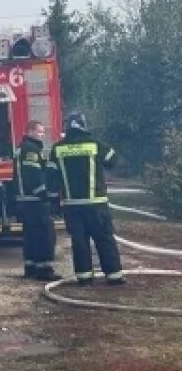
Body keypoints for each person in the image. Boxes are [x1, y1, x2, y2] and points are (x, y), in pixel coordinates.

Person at [46, 112, 125, 286]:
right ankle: (114, 276)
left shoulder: (57, 149)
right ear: (83, 125)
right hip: (96, 204)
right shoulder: (94, 144)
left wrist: (53, 202)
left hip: (72, 206)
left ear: (66, 127)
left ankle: (84, 278)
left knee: (79, 242)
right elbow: (113, 160)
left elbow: (51, 178)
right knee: (104, 238)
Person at [12, 120, 61, 281]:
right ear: (31, 131)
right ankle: (44, 268)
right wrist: (45, 194)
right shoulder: (31, 150)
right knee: (44, 233)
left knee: (30, 235)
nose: (42, 135)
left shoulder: (21, 148)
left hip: (24, 201)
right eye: (40, 132)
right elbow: (33, 176)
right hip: (34, 200)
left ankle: (31, 267)